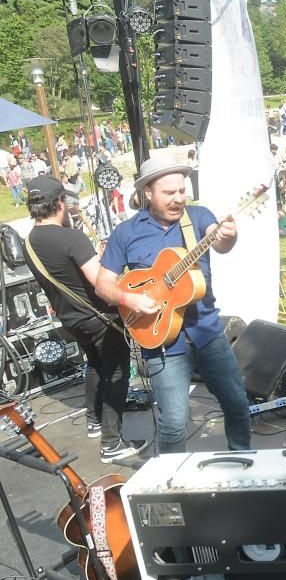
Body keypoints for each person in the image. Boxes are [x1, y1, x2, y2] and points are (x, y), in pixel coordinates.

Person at [95, 158, 252, 454]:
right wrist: (130, 299)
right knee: (174, 423)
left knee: (238, 404)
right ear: (147, 192)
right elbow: (103, 284)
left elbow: (219, 243)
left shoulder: (199, 217)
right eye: (169, 193)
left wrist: (228, 235)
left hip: (208, 334)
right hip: (162, 342)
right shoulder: (127, 232)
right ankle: (172, 482)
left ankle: (242, 462)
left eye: (182, 191)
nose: (178, 198)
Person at [24, 176, 147, 463]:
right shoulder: (72, 238)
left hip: (71, 319)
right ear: (59, 203)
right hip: (98, 316)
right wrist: (105, 261)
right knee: (117, 372)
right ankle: (112, 442)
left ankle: (94, 420)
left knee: (94, 364)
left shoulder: (30, 241)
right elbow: (100, 283)